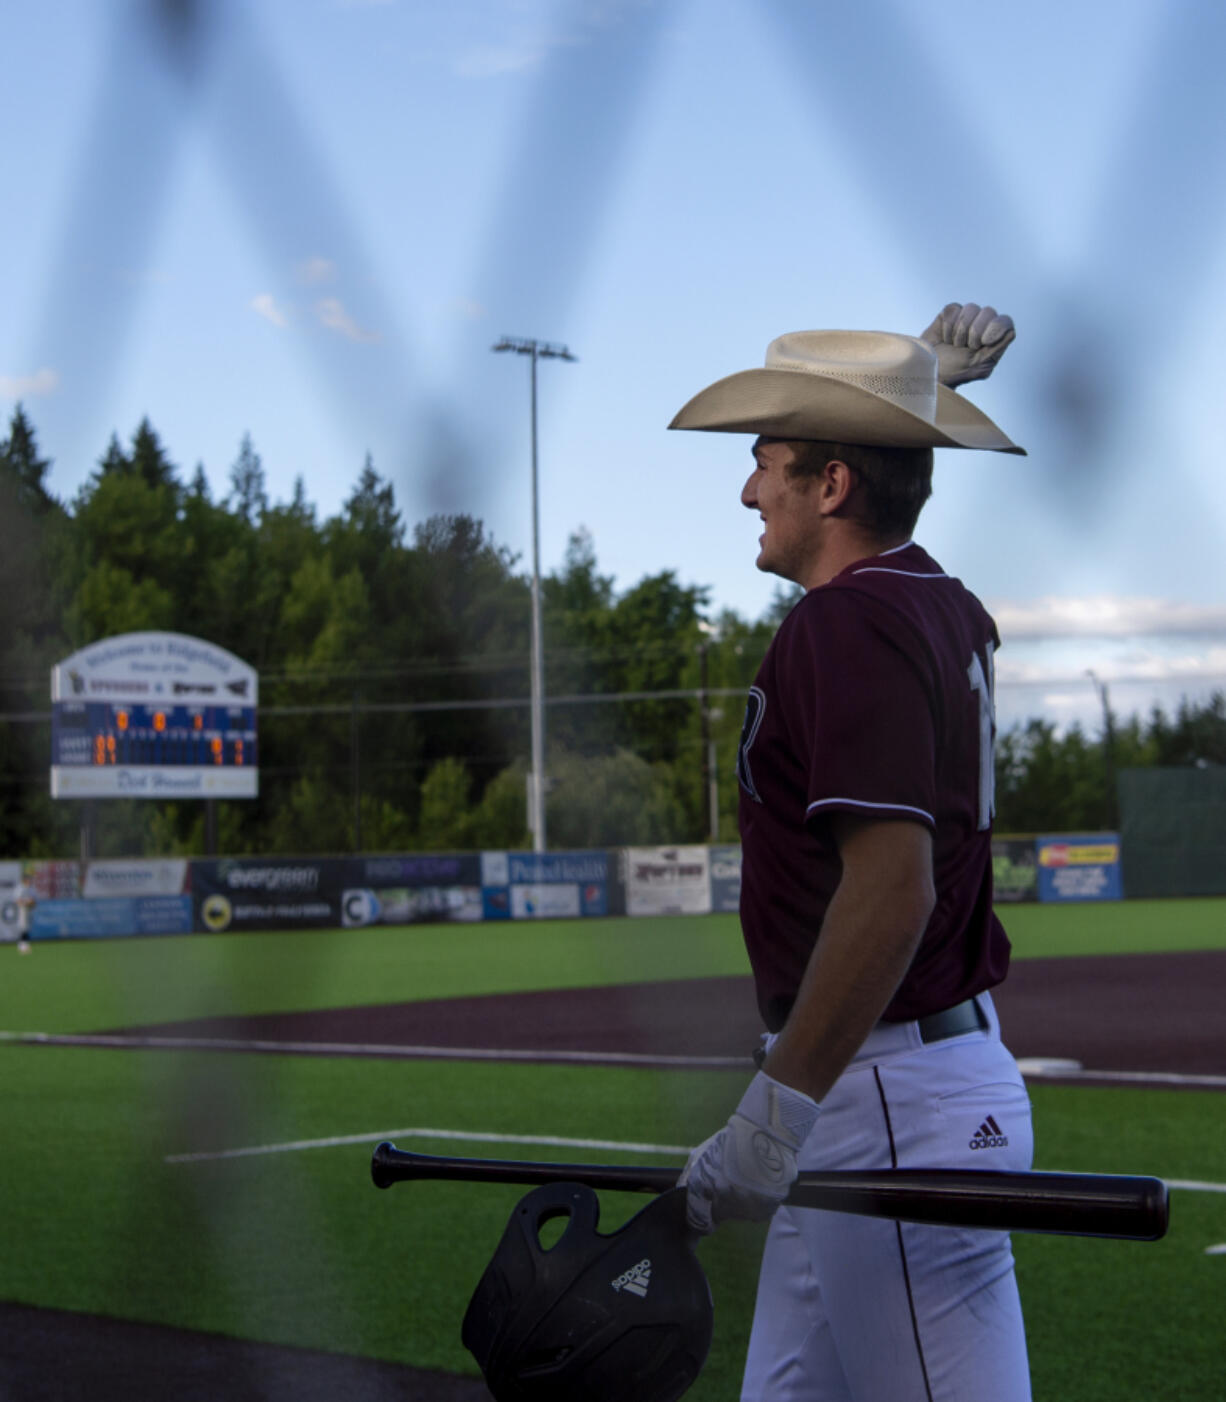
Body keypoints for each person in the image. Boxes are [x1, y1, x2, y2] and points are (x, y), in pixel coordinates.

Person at [669, 304, 1033, 1401]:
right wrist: (906, 394)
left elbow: (890, 889)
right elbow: (891, 513)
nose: (746, 491)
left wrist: (771, 1115)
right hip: (876, 1091)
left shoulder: (842, 623)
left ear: (829, 486)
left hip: (883, 1101)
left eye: (766, 463)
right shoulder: (933, 603)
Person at [14, 874, 34, 953]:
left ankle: (25, 945)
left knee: (26, 928)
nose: (30, 881)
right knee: (23, 928)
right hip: (22, 910)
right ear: (24, 880)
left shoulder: (29, 889)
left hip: (28, 910)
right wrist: (26, 902)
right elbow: (17, 901)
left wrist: (31, 902)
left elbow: (33, 901)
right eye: (28, 880)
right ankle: (22, 946)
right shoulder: (20, 888)